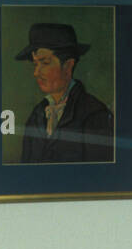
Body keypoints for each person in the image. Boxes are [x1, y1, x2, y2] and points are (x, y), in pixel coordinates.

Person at [15, 23, 114, 163]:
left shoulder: (94, 114)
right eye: (35, 64)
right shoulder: (35, 117)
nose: (36, 73)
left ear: (68, 66)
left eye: (45, 63)